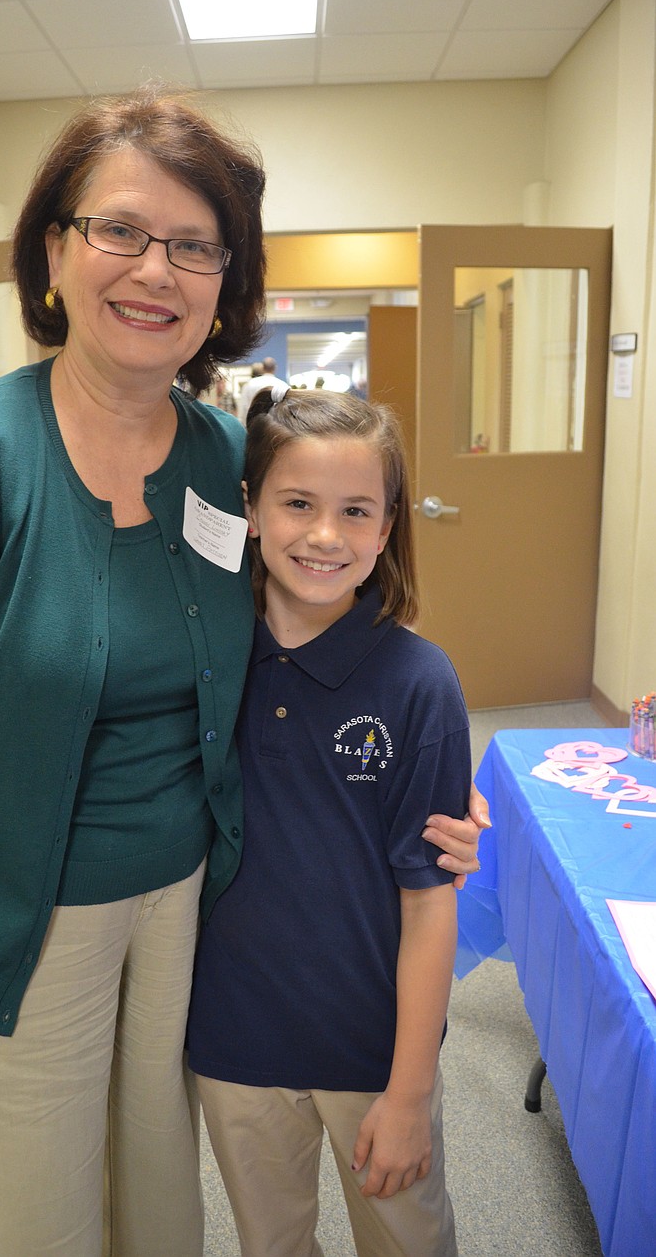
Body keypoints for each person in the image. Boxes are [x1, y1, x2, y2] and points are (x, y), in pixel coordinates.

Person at [0, 87, 485, 1257]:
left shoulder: (227, 456)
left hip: (187, 918)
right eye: (120, 229)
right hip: (21, 935)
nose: (155, 270)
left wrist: (424, 793)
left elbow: (291, 654)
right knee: (45, 1230)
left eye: (194, 244)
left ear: (225, 282)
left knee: (163, 1219)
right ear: (55, 252)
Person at [187, 385, 471, 1257]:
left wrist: (411, 1092)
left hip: (370, 1048)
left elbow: (429, 903)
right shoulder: (203, 653)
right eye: (297, 503)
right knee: (271, 1242)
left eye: (356, 511)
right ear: (250, 507)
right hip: (234, 1042)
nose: (323, 535)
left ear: (386, 529)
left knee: (408, 1239)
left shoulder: (420, 684)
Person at [236, 355, 286, 426]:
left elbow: (244, 407)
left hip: (252, 427)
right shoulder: (282, 385)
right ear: (275, 368)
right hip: (275, 430)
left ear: (262, 368)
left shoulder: (249, 384)